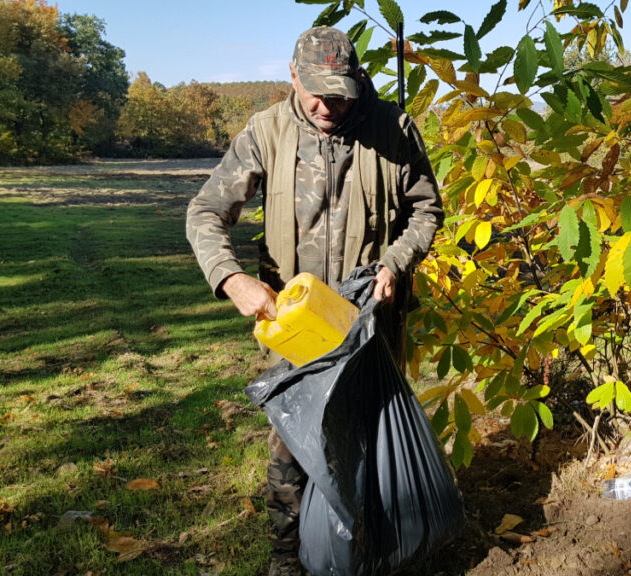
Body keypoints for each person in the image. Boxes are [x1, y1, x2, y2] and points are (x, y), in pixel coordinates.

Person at [185, 26, 443, 576]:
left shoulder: (392, 128)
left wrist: (396, 262)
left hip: (370, 321)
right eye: (318, 92)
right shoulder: (266, 132)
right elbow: (204, 212)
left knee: (372, 436)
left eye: (341, 92)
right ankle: (288, 556)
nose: (329, 105)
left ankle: (375, 549)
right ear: (293, 77)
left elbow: (427, 210)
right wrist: (232, 279)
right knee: (294, 444)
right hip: (295, 323)